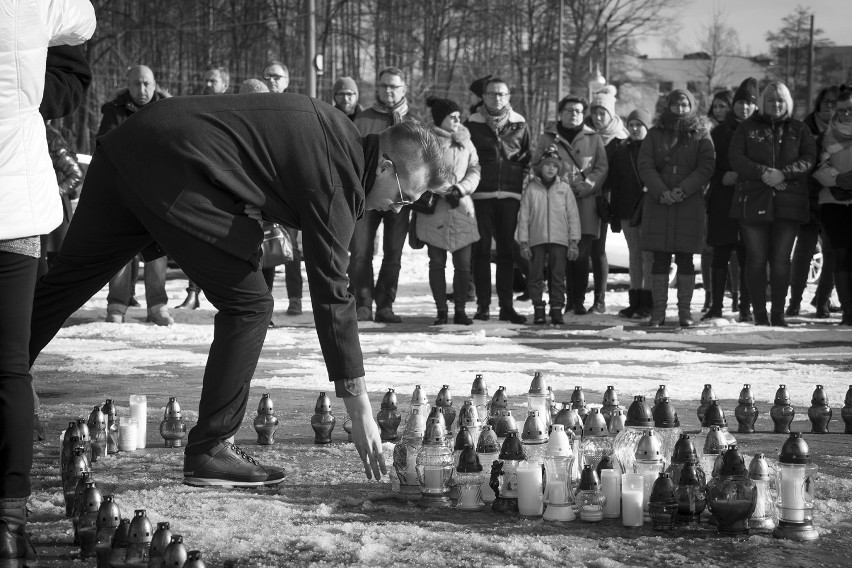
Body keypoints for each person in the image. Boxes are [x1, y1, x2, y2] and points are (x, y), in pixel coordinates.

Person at [28, 93, 450, 488]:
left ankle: (7, 369)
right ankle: (211, 448)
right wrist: (358, 404)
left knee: (70, 278)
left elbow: (252, 155)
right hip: (171, 164)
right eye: (402, 197)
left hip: (132, 145)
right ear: (385, 167)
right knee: (249, 304)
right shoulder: (338, 176)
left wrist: (252, 197)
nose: (398, 208)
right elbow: (332, 290)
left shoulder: (336, 132)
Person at [1, 1, 95, 565]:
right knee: (9, 365)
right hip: (13, 205)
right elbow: (83, 18)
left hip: (16, 199)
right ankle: (8, 525)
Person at [729, 81, 817, 327]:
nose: (776, 104)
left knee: (780, 260)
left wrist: (784, 174)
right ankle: (759, 313)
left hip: (788, 204)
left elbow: (809, 158)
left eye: (780, 100)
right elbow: (736, 158)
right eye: (770, 100)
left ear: (787, 102)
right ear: (762, 103)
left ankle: (778, 313)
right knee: (756, 259)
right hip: (753, 200)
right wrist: (765, 173)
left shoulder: (799, 129)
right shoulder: (747, 128)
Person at [98, 65, 173, 326]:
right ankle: (117, 304)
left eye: (147, 84)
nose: (142, 90)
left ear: (155, 84)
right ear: (127, 85)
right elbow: (105, 146)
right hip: (124, 190)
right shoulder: (113, 110)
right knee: (121, 252)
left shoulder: (169, 108)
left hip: (158, 192)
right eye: (136, 84)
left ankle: (158, 306)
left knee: (156, 252)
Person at [638, 89, 715, 327]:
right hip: (659, 202)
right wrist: (662, 191)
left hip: (688, 204)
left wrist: (682, 190)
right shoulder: (654, 134)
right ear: (668, 106)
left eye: (684, 105)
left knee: (685, 259)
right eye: (675, 104)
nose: (680, 109)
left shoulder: (701, 134)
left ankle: (684, 312)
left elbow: (706, 166)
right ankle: (658, 312)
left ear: (691, 107)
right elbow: (645, 165)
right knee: (659, 260)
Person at [350, 67, 420, 323]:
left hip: (400, 199)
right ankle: (363, 304)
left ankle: (385, 306)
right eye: (384, 86)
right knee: (360, 253)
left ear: (403, 89)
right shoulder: (363, 118)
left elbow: (421, 164)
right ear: (377, 88)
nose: (388, 90)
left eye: (394, 86)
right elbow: (351, 156)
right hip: (367, 197)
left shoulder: (414, 122)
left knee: (393, 254)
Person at [533, 94, 607, 316]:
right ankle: (560, 300)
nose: (573, 114)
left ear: (583, 114)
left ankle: (578, 301)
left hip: (586, 202)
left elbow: (601, 167)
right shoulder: (547, 138)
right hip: (556, 202)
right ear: (560, 113)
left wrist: (587, 185)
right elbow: (536, 164)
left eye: (577, 111)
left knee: (581, 254)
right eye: (568, 110)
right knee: (560, 255)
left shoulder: (594, 138)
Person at [465, 77, 532, 323]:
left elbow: (526, 158)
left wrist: (521, 185)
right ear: (484, 96)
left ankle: (506, 307)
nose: (497, 98)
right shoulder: (472, 123)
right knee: (481, 251)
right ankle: (483, 306)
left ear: (509, 97)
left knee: (506, 252)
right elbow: (466, 158)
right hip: (481, 195)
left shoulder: (520, 123)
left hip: (511, 196)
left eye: (502, 94)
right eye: (492, 94)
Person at [416, 97, 481, 326]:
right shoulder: (426, 141)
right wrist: (445, 190)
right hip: (434, 210)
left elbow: (475, 168)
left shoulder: (466, 140)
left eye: (458, 116)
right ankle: (441, 310)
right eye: (451, 116)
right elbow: (420, 172)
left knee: (463, 265)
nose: (457, 119)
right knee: (437, 264)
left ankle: (461, 310)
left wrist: (460, 189)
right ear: (439, 119)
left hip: (462, 207)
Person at [176, 65, 233, 310]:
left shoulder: (232, 111)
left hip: (228, 183)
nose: (208, 84)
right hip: (199, 181)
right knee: (196, 239)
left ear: (225, 86)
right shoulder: (194, 106)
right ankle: (192, 293)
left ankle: (230, 295)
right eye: (206, 80)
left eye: (213, 81)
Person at [703, 78, 758, 323]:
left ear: (755, 106)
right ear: (733, 105)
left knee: (748, 255)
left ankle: (745, 307)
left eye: (749, 103)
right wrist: (722, 176)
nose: (744, 108)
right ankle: (716, 306)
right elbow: (706, 166)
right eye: (740, 103)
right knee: (720, 254)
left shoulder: (760, 131)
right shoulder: (718, 132)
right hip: (723, 200)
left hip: (752, 200)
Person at [788, 85, 840, 318]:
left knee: (831, 252)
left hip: (835, 198)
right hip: (807, 197)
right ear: (819, 104)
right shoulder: (804, 128)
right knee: (804, 251)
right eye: (827, 101)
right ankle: (794, 301)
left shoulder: (845, 130)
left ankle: (823, 301)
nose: (830, 106)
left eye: (835, 102)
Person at [518, 146, 581, 325]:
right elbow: (523, 217)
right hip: (537, 240)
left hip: (559, 241)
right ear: (540, 167)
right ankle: (538, 307)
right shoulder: (531, 189)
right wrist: (523, 242)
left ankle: (556, 308)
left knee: (558, 275)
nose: (551, 168)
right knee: (535, 275)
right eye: (547, 165)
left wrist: (574, 242)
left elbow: (573, 216)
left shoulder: (565, 189)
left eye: (555, 165)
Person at [810, 87, 852, 325]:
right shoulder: (827, 136)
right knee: (841, 256)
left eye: (850, 110)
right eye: (842, 110)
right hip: (833, 203)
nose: (846, 115)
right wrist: (838, 178)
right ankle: (848, 311)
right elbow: (816, 167)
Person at [608, 108, 654, 319]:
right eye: (632, 125)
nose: (635, 129)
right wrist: (615, 215)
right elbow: (615, 184)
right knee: (634, 255)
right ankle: (634, 301)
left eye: (639, 125)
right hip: (627, 210)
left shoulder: (653, 149)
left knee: (647, 255)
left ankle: (648, 300)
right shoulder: (622, 150)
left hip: (649, 208)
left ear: (647, 126)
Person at [587, 85, 628, 314]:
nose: (598, 116)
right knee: (583, 248)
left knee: (598, 249)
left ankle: (599, 300)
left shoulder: (620, 139)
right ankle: (575, 299)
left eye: (603, 112)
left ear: (611, 113)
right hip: (585, 195)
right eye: (595, 112)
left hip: (607, 198)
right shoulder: (586, 135)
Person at [701, 90, 735, 312]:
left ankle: (736, 295)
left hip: (732, 192)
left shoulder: (737, 131)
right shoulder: (705, 130)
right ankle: (710, 295)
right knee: (708, 250)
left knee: (734, 250)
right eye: (716, 106)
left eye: (724, 106)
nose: (719, 110)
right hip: (709, 195)